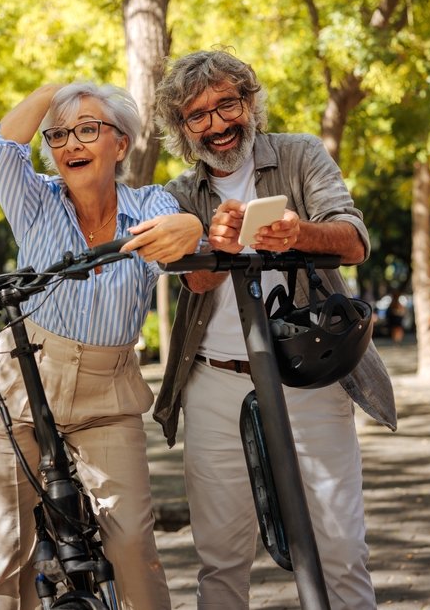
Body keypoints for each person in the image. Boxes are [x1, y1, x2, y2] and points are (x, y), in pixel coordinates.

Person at [152, 49, 397, 609]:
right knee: (220, 557)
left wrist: (299, 233)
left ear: (249, 102)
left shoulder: (300, 153)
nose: (216, 124)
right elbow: (189, 284)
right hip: (214, 383)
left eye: (227, 104)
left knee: (339, 544)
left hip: (305, 372)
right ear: (181, 128)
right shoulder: (178, 193)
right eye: (197, 115)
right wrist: (213, 247)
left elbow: (354, 241)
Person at [0, 81, 203, 609]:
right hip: (22, 389)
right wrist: (58, 90)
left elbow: (181, 244)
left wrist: (190, 226)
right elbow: (1, 147)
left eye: (88, 130)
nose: (70, 144)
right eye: (58, 135)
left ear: (120, 144)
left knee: (131, 545)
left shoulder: (150, 204)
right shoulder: (34, 199)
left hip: (108, 397)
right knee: (10, 553)